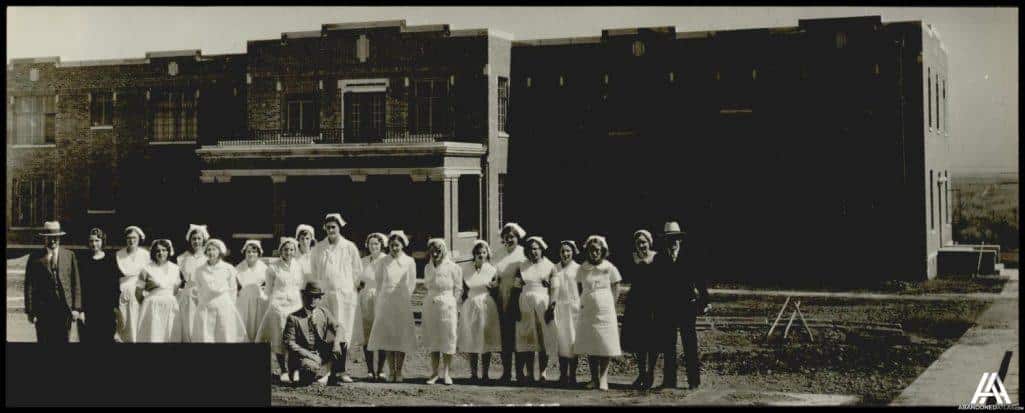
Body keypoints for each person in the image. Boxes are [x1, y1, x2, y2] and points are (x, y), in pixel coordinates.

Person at [308, 213, 363, 383]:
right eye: (328, 227)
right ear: (324, 228)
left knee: (343, 330)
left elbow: (357, 272)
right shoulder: (318, 248)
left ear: (340, 227)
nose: (331, 230)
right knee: (326, 331)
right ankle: (326, 371)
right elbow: (314, 271)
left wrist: (351, 290)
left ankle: (341, 371)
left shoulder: (349, 247)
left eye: (334, 227)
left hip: (344, 296)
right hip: (326, 296)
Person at [655, 221, 710, 390]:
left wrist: (704, 301)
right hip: (666, 307)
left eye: (676, 238)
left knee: (689, 343)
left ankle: (694, 381)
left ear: (681, 239)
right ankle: (669, 381)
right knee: (668, 344)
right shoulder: (659, 258)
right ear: (665, 240)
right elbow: (656, 285)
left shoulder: (690, 256)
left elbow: (700, 280)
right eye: (669, 239)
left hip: (687, 306)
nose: (673, 242)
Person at [366, 230, 418, 383]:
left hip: (402, 301)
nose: (395, 248)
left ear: (403, 245)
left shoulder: (409, 262)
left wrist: (403, 298)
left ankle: (399, 371)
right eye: (392, 245)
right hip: (386, 300)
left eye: (397, 245)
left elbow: (411, 284)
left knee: (400, 336)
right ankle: (391, 371)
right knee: (388, 336)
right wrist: (383, 299)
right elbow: (380, 281)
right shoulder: (383, 262)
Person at [573, 235, 623, 391]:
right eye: (591, 250)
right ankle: (593, 378)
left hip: (605, 310)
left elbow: (616, 286)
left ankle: (603, 378)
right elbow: (580, 288)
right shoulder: (582, 268)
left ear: (603, 251)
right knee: (591, 343)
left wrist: (611, 304)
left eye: (597, 250)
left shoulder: (609, 267)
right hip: (588, 310)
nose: (594, 253)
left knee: (605, 343)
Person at [256, 237, 306, 382]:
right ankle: (283, 370)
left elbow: (301, 285)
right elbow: (269, 290)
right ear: (280, 251)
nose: (289, 252)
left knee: (295, 338)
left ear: (295, 251)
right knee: (279, 336)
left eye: (291, 249)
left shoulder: (299, 266)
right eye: (286, 249)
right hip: (278, 305)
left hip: (295, 304)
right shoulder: (272, 268)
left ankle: (295, 370)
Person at [24, 221, 82, 343]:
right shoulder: (35, 257)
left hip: (64, 309)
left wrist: (76, 308)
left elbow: (75, 283)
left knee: (63, 341)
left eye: (55, 238)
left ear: (59, 237)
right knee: (44, 341)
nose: (52, 241)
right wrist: (30, 311)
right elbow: (29, 285)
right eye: (49, 238)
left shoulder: (69, 255)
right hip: (43, 310)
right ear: (44, 238)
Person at [513, 236, 559, 384]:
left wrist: (551, 307)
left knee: (543, 338)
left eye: (536, 248)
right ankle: (530, 373)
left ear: (541, 249)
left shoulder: (550, 266)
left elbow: (555, 288)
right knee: (528, 337)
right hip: (525, 304)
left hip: (543, 304)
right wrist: (515, 307)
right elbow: (516, 287)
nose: (533, 252)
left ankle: (543, 373)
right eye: (531, 249)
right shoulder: (522, 266)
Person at [282, 280, 346, 386]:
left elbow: (339, 327)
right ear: (304, 297)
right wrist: (310, 356)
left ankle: (332, 376)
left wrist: (336, 344)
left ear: (320, 298)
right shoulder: (293, 318)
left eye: (316, 297)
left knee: (342, 343)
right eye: (309, 296)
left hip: (321, 352)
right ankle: (305, 373)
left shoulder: (324, 312)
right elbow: (289, 343)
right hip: (303, 356)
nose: (312, 300)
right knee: (309, 372)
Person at [621, 229, 661, 389]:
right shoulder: (632, 258)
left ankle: (650, 373)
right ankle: (642, 373)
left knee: (652, 340)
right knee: (638, 341)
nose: (642, 245)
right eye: (639, 243)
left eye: (644, 242)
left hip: (653, 302)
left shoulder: (657, 258)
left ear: (649, 243)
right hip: (636, 303)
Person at [457, 240, 502, 383]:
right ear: (474, 255)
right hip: (470, 305)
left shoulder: (492, 270)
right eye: (478, 253)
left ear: (487, 253)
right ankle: (474, 373)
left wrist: (493, 287)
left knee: (485, 340)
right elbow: (464, 291)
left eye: (483, 252)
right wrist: (461, 309)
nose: (481, 255)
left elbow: (496, 291)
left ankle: (485, 374)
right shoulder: (466, 270)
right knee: (472, 339)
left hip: (486, 305)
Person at [422, 238, 463, 385]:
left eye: (438, 250)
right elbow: (427, 286)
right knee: (434, 339)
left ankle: (446, 373)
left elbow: (458, 288)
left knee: (448, 337)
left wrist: (454, 304)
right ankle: (434, 373)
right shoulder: (428, 268)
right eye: (432, 250)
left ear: (444, 251)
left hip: (448, 305)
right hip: (431, 305)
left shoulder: (453, 267)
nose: (435, 253)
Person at [191, 238, 247, 343]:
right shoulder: (199, 270)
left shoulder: (228, 268)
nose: (211, 252)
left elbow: (233, 289)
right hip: (206, 307)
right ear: (205, 251)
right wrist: (202, 304)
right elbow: (199, 290)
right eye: (209, 250)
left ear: (220, 251)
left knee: (224, 335)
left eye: (214, 249)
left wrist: (230, 306)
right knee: (206, 336)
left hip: (224, 307)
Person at [492, 222, 527, 383]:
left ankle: (520, 373)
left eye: (512, 236)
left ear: (517, 237)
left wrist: (515, 299)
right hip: (500, 296)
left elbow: (523, 277)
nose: (509, 239)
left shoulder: (522, 254)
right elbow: (493, 274)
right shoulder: (499, 254)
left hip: (517, 297)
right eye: (506, 237)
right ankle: (506, 372)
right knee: (504, 336)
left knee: (518, 336)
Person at [355, 232, 388, 381]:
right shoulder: (362, 262)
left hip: (381, 298)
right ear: (367, 245)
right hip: (366, 299)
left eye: (376, 243)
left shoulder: (386, 260)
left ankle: (380, 370)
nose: (373, 246)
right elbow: (358, 281)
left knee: (381, 333)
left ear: (381, 245)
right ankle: (370, 371)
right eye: (371, 244)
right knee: (367, 334)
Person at [136, 239, 182, 342]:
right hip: (152, 308)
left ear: (168, 251)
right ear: (153, 253)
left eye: (164, 250)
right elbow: (138, 293)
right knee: (154, 335)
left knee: (169, 335)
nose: (161, 253)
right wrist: (148, 304)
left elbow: (175, 290)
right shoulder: (146, 269)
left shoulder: (175, 268)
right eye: (157, 251)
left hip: (170, 306)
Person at [79, 227, 118, 344]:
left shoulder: (110, 260)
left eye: (97, 240)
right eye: (91, 241)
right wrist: (80, 310)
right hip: (88, 309)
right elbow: (79, 287)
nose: (94, 244)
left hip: (106, 309)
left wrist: (115, 308)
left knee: (106, 338)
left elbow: (114, 286)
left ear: (102, 242)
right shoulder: (82, 260)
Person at [553, 240, 582, 386]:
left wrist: (580, 304)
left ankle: (573, 375)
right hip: (559, 308)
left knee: (572, 342)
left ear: (573, 252)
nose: (565, 254)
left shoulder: (578, 268)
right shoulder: (555, 268)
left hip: (574, 308)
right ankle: (563, 375)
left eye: (568, 251)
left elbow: (582, 288)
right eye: (563, 251)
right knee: (561, 341)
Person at [115, 225, 149, 343]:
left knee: (138, 320)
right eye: (129, 238)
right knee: (124, 321)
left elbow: (147, 275)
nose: (132, 240)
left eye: (134, 238)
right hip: (123, 290)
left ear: (139, 239)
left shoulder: (145, 254)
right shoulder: (119, 254)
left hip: (139, 290)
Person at [176, 224, 209, 343]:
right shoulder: (182, 258)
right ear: (190, 240)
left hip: (204, 294)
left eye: (199, 238)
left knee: (203, 323)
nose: (196, 241)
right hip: (188, 295)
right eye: (194, 238)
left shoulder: (208, 257)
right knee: (189, 323)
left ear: (204, 239)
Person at [236, 240, 269, 342]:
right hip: (244, 302)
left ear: (258, 253)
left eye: (254, 252)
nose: (251, 254)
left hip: (259, 301)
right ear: (245, 253)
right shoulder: (239, 268)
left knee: (257, 326)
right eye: (248, 251)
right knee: (244, 325)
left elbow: (268, 285)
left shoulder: (264, 268)